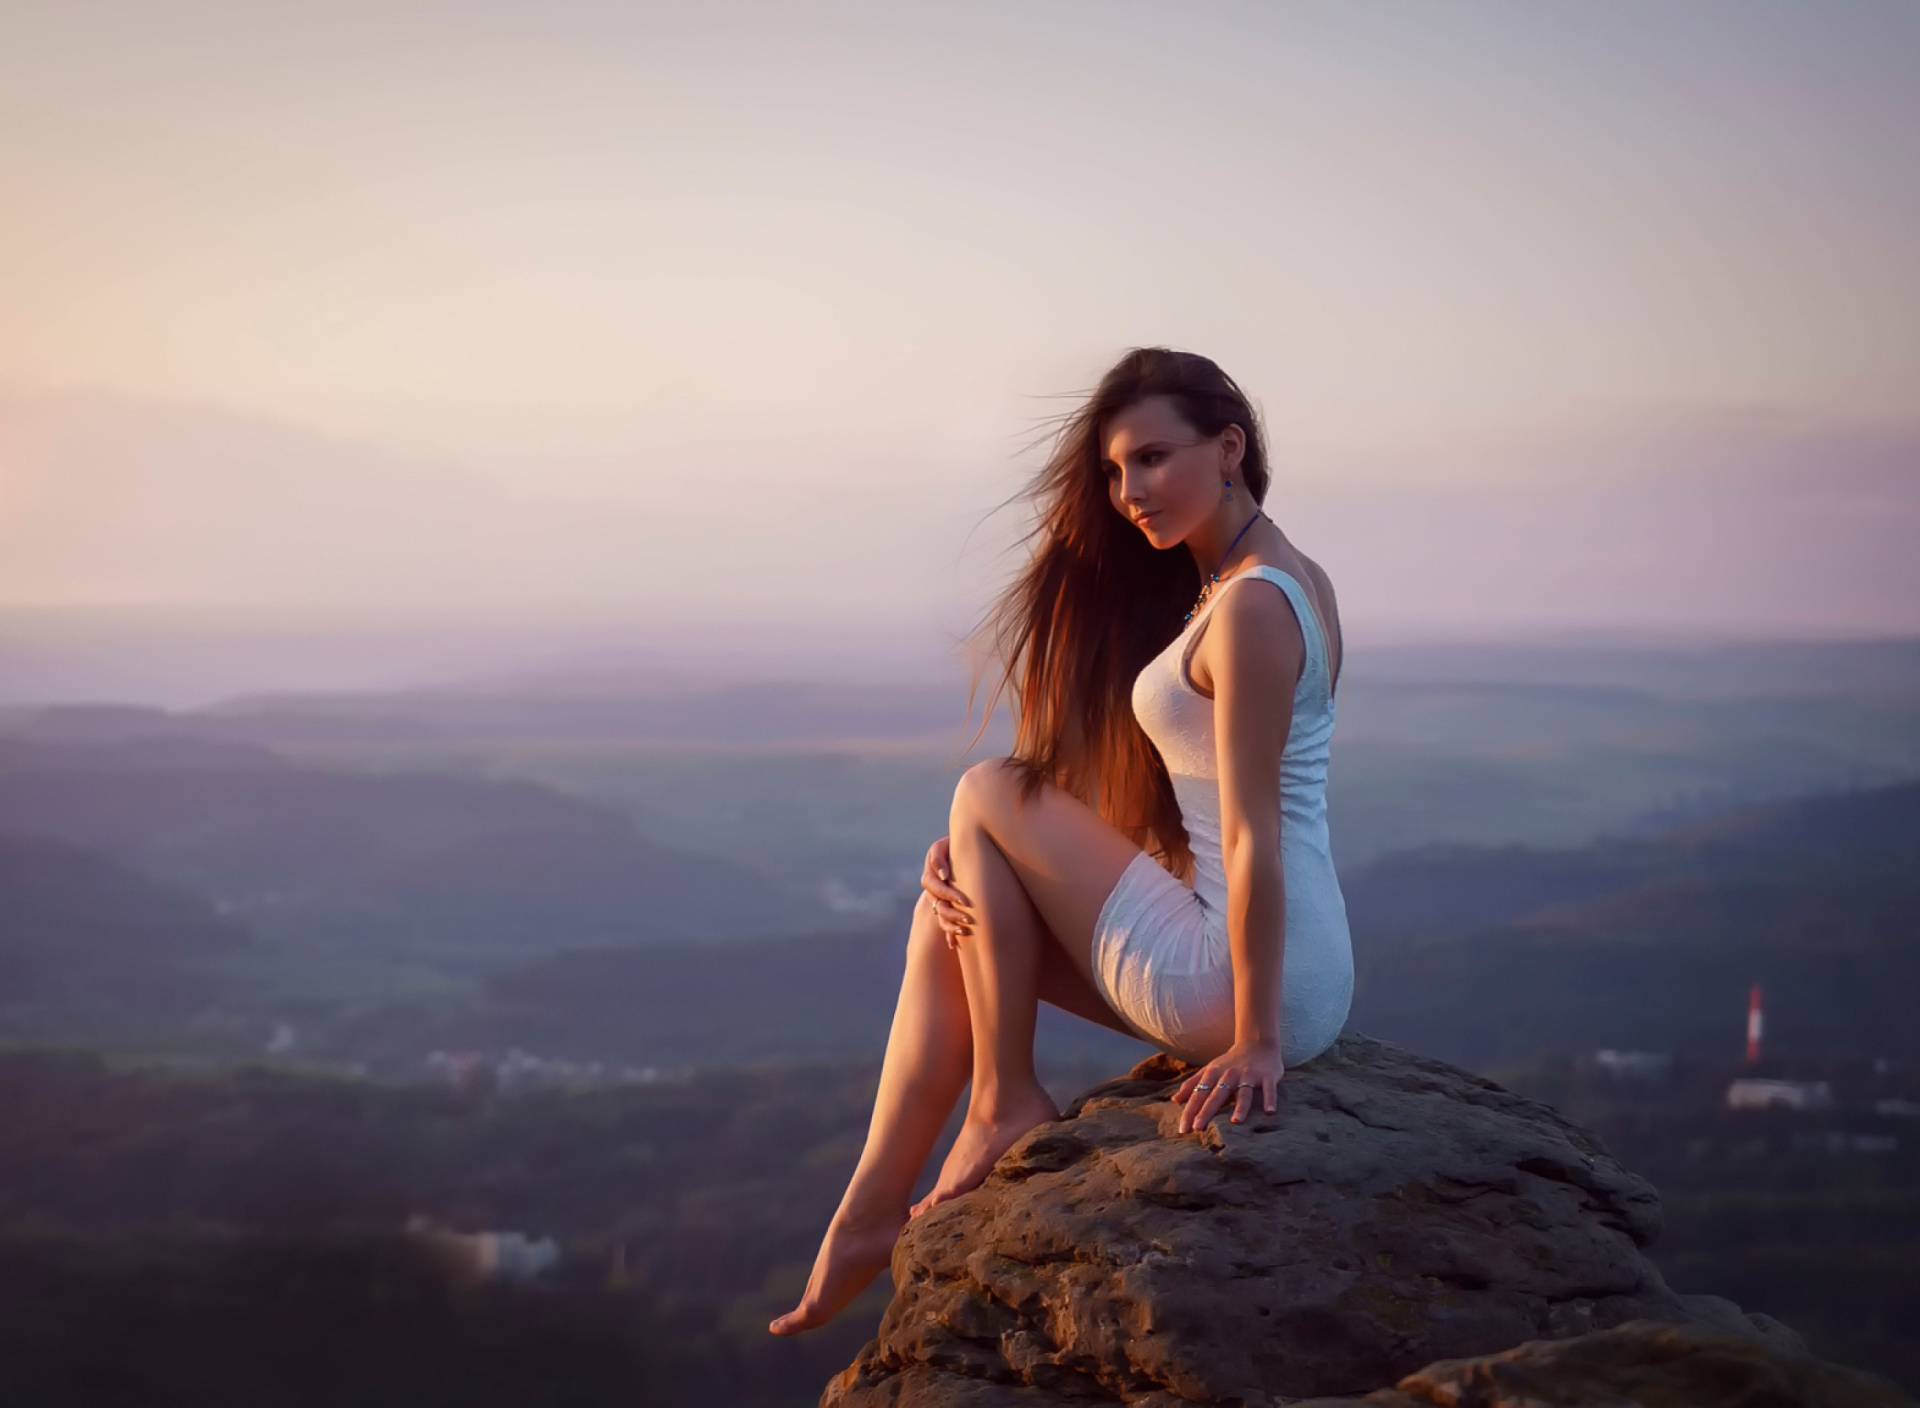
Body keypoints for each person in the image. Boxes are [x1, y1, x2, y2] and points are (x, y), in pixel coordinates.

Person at [769, 347, 1352, 1336]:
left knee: (985, 786)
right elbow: (1198, 802)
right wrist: (984, 852)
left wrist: (1257, 1042)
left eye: (1153, 459)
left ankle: (1000, 1103)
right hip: (1291, 969)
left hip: (1248, 978)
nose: (1130, 493)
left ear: (1230, 446)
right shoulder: (1274, 581)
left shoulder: (1252, 605)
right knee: (950, 905)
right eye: (1117, 472)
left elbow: (1252, 836)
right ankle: (870, 1213)